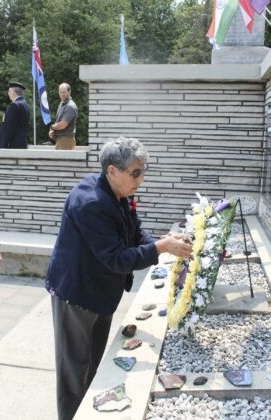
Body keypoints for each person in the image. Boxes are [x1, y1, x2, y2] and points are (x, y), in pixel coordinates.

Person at [46, 137, 192, 420]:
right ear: (112, 171)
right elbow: (116, 258)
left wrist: (161, 242)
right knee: (73, 374)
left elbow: (136, 232)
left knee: (93, 365)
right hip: (76, 295)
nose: (141, 179)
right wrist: (160, 249)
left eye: (143, 171)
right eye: (136, 173)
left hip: (101, 293)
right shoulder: (90, 202)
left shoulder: (120, 193)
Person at [0, 82, 30, 149]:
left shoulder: (15, 105)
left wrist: (3, 146)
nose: (8, 93)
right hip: (22, 144)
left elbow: (9, 128)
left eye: (9, 91)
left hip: (13, 146)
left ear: (14, 93)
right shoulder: (25, 105)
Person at [48, 83, 78, 150]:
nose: (62, 94)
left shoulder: (70, 106)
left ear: (69, 92)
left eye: (64, 92)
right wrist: (52, 130)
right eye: (60, 92)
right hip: (61, 139)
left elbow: (63, 125)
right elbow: (58, 122)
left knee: (62, 160)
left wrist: (52, 127)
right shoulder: (62, 104)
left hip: (66, 140)